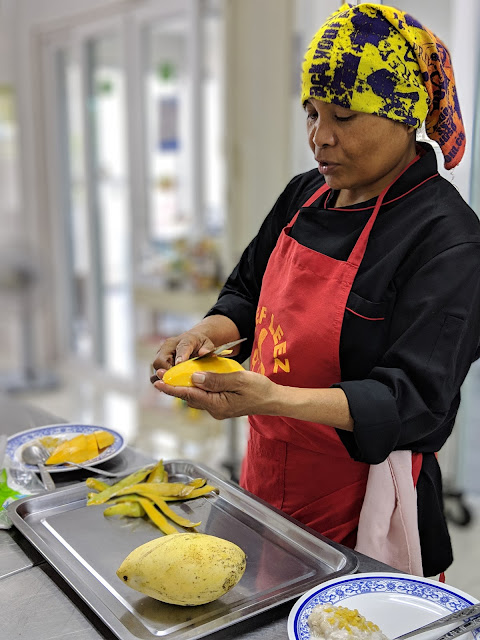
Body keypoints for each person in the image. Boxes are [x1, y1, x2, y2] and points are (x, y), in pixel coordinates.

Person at [152, 3, 480, 578]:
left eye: (345, 117)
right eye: (311, 113)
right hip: (266, 477)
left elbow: (414, 402)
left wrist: (273, 398)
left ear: (405, 117)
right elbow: (248, 290)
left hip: (363, 504)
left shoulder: (447, 238)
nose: (318, 138)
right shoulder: (306, 194)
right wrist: (206, 333)